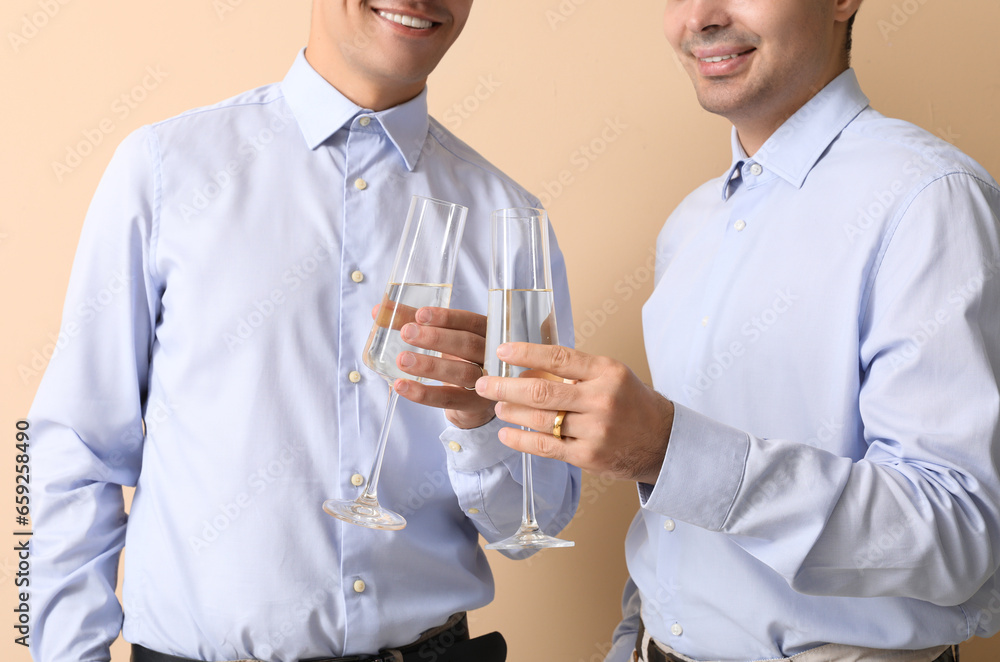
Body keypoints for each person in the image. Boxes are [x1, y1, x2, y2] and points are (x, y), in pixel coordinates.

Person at [28, 2, 580, 661]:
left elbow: (535, 524)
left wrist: (479, 423)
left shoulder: (509, 220)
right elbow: (72, 447)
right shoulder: (165, 170)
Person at [475, 1, 1000, 661]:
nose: (700, 17)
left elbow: (964, 536)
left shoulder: (930, 200)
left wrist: (669, 451)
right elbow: (680, 534)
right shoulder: (688, 227)